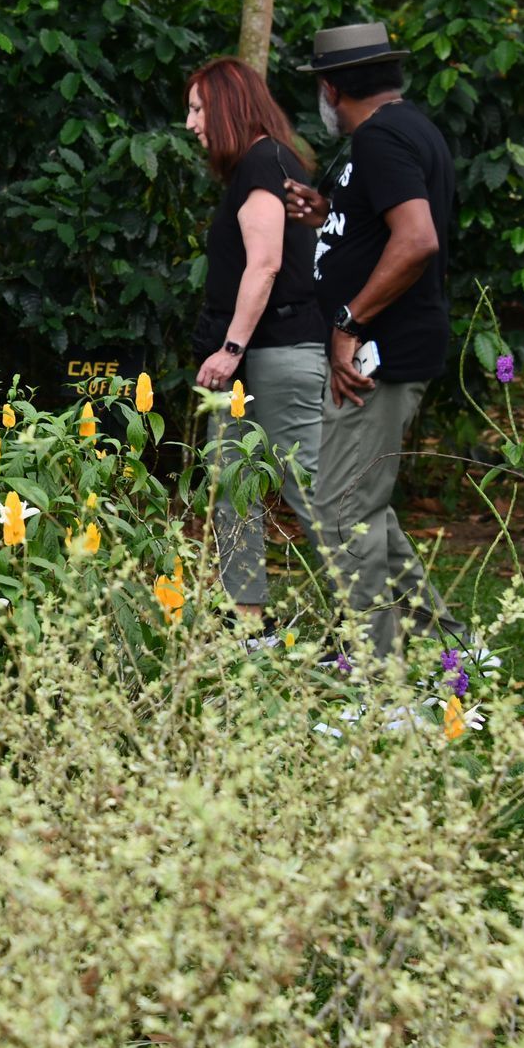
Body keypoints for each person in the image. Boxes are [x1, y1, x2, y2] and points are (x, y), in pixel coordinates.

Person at [283, 22, 463, 657]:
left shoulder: (382, 138)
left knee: (339, 510)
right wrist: (325, 210)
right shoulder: (401, 131)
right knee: (363, 504)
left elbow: (416, 239)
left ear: (330, 89)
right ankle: (449, 647)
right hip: (383, 348)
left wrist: (347, 323)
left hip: (374, 354)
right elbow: (377, 225)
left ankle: (378, 675)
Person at [184, 57, 327, 631]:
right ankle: (246, 621)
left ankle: (380, 610)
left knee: (308, 489)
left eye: (197, 109)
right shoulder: (253, 165)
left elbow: (264, 265)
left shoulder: (266, 160)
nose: (191, 123)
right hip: (246, 360)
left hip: (273, 355)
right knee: (234, 486)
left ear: (226, 106)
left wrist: (231, 349)